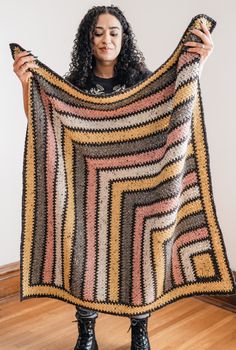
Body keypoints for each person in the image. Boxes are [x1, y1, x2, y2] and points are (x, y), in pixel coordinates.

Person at [13, 5, 214, 350]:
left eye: (114, 32)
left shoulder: (143, 80)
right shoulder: (74, 84)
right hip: (85, 187)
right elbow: (44, 123)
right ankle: (86, 330)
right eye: (98, 32)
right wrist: (26, 84)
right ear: (87, 39)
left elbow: (177, 105)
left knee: (142, 251)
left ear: (124, 38)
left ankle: (139, 327)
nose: (106, 39)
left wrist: (199, 62)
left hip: (140, 187)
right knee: (83, 251)